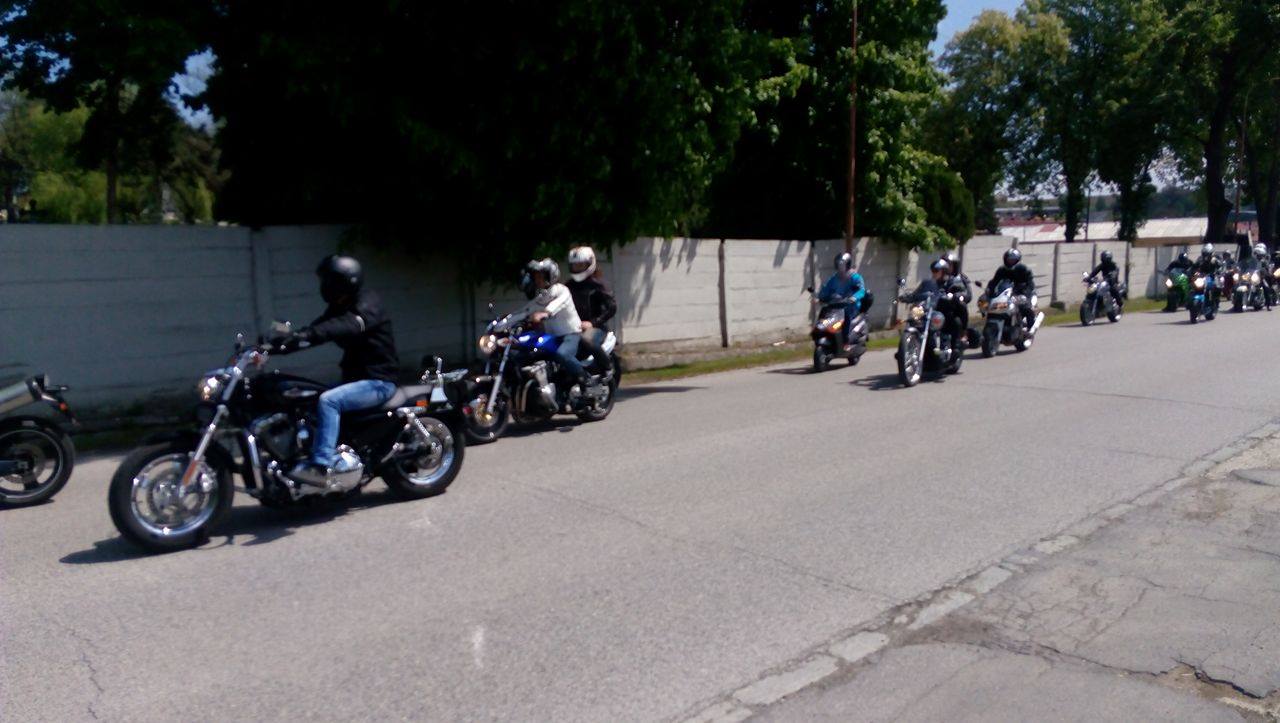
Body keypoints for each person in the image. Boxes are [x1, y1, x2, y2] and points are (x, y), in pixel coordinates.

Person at [280, 255, 401, 485]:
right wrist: (280, 343)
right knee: (306, 400)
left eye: (327, 280)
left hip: (379, 381)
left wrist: (310, 334)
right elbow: (318, 329)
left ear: (342, 282)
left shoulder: (367, 304)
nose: (323, 286)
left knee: (329, 401)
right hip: (356, 380)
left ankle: (321, 465)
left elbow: (343, 325)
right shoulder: (340, 306)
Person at [515, 258, 591, 391]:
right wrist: (506, 320)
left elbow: (557, 304)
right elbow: (526, 310)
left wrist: (545, 313)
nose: (538, 280)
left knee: (562, 354)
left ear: (550, 276)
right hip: (552, 337)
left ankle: (585, 379)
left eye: (541, 276)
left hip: (571, 334)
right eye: (536, 277)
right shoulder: (541, 297)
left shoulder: (562, 290)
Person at [565, 246, 617, 374]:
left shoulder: (597, 285)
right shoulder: (568, 286)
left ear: (590, 264)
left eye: (581, 265)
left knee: (587, 339)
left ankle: (607, 368)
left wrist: (593, 323)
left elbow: (612, 307)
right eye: (575, 265)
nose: (577, 268)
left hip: (596, 328)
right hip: (573, 327)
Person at [818, 252, 869, 350]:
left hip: (851, 306)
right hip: (836, 306)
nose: (839, 267)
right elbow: (826, 289)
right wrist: (820, 297)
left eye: (841, 264)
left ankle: (846, 341)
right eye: (838, 264)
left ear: (847, 264)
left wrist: (854, 298)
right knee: (825, 314)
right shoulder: (834, 278)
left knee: (846, 316)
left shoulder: (855, 277)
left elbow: (861, 290)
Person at [986, 248, 1036, 328]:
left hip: (1021, 293)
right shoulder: (1002, 270)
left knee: (1027, 308)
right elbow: (994, 282)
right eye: (1009, 259)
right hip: (1006, 295)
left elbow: (1030, 284)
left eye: (1013, 259)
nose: (1011, 261)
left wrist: (1025, 294)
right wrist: (989, 290)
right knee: (993, 309)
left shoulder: (1024, 269)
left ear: (1017, 260)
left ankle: (1030, 327)